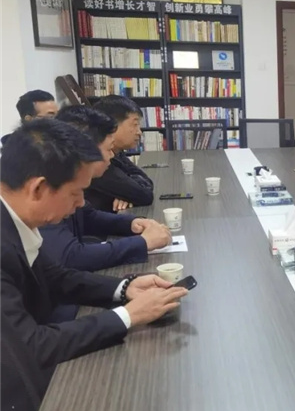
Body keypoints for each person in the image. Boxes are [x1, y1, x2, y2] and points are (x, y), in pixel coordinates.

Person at [1, 119, 187, 376]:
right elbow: (31, 348)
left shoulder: (16, 219)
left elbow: (54, 276)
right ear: (38, 188)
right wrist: (127, 316)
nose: (81, 203)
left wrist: (125, 288)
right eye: (76, 193)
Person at [39, 106, 171, 272]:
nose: (112, 155)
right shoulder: (46, 188)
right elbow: (71, 257)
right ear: (85, 151)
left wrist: (132, 224)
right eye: (108, 149)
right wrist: (143, 243)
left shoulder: (67, 177)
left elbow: (88, 216)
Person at [84, 95, 154, 212]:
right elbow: (145, 195)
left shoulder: (116, 152)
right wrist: (130, 191)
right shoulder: (98, 161)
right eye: (134, 125)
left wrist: (127, 193)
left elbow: (146, 180)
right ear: (113, 125)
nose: (139, 132)